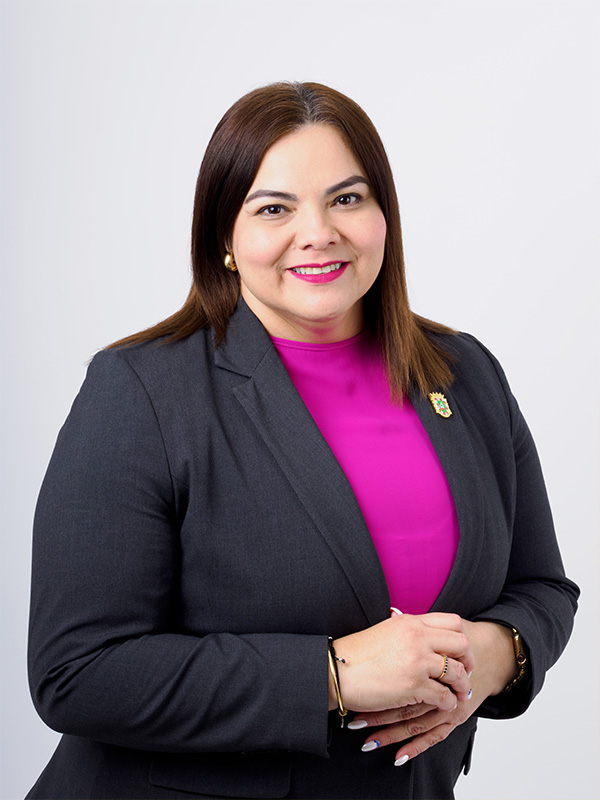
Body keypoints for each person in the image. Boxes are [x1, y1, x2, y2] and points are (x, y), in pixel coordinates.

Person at [26, 82, 579, 800]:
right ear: (225, 238)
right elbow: (76, 671)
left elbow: (542, 589)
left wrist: (493, 653)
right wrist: (332, 675)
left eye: (347, 198)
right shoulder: (140, 391)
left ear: (384, 216)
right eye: (274, 209)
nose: (318, 233)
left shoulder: (466, 373)